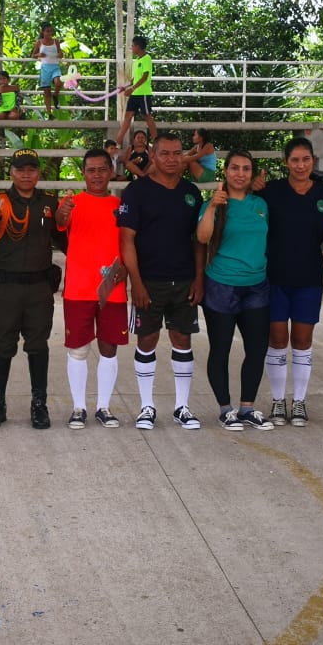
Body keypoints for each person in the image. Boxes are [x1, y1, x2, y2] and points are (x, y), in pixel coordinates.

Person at [118, 133, 205, 431]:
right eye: (165, 153)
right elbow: (126, 241)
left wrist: (198, 279)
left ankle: (182, 407)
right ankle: (147, 407)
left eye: (177, 153)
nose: (171, 159)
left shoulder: (192, 193)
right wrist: (136, 284)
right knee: (147, 340)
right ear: (153, 156)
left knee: (182, 340)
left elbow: (199, 242)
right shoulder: (136, 192)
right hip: (149, 281)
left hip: (183, 281)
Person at [0, 149, 65, 429]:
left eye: (31, 169)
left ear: (38, 173)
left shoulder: (49, 203)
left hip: (39, 288)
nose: (26, 174)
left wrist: (62, 220)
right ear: (12, 172)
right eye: (20, 169)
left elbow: (63, 239)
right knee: (2, 346)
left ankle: (39, 405)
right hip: (7, 288)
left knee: (38, 346)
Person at [262, 136, 323, 427]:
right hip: (274, 278)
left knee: (302, 341)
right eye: (295, 160)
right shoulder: (271, 191)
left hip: (309, 279)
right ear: (285, 162)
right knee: (277, 340)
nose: (300, 165)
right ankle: (278, 400)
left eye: (306, 159)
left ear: (313, 161)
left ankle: (298, 402)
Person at [195, 151, 274, 431]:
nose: (240, 173)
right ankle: (225, 409)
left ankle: (247, 408)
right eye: (235, 168)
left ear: (252, 174)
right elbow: (202, 238)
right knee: (221, 349)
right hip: (221, 285)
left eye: (246, 169)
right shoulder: (214, 203)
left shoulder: (261, 204)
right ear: (226, 171)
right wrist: (214, 208)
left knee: (256, 349)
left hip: (256, 286)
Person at [56, 149, 129, 428]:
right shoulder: (72, 202)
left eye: (102, 169)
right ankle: (78, 408)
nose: (97, 175)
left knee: (109, 347)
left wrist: (125, 269)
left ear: (111, 171)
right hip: (78, 288)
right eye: (91, 170)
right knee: (78, 349)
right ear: (83, 173)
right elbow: (61, 224)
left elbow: (128, 243)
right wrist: (63, 215)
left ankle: (103, 407)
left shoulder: (120, 206)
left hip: (112, 288)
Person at [115, 36, 156, 147]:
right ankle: (118, 141)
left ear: (138, 46)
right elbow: (135, 78)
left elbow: (145, 76)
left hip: (143, 93)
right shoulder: (137, 61)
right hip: (135, 93)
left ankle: (156, 141)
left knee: (147, 116)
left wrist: (132, 88)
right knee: (127, 117)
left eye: (133, 46)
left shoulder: (147, 58)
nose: (131, 48)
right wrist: (125, 87)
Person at [31, 23, 65, 118]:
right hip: (45, 68)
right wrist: (39, 55)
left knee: (58, 83)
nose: (49, 33)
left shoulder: (56, 41)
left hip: (55, 67)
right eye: (47, 31)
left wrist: (60, 54)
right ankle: (49, 114)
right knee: (46, 91)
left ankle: (55, 95)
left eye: (51, 31)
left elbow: (60, 52)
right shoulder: (39, 42)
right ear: (43, 32)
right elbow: (33, 55)